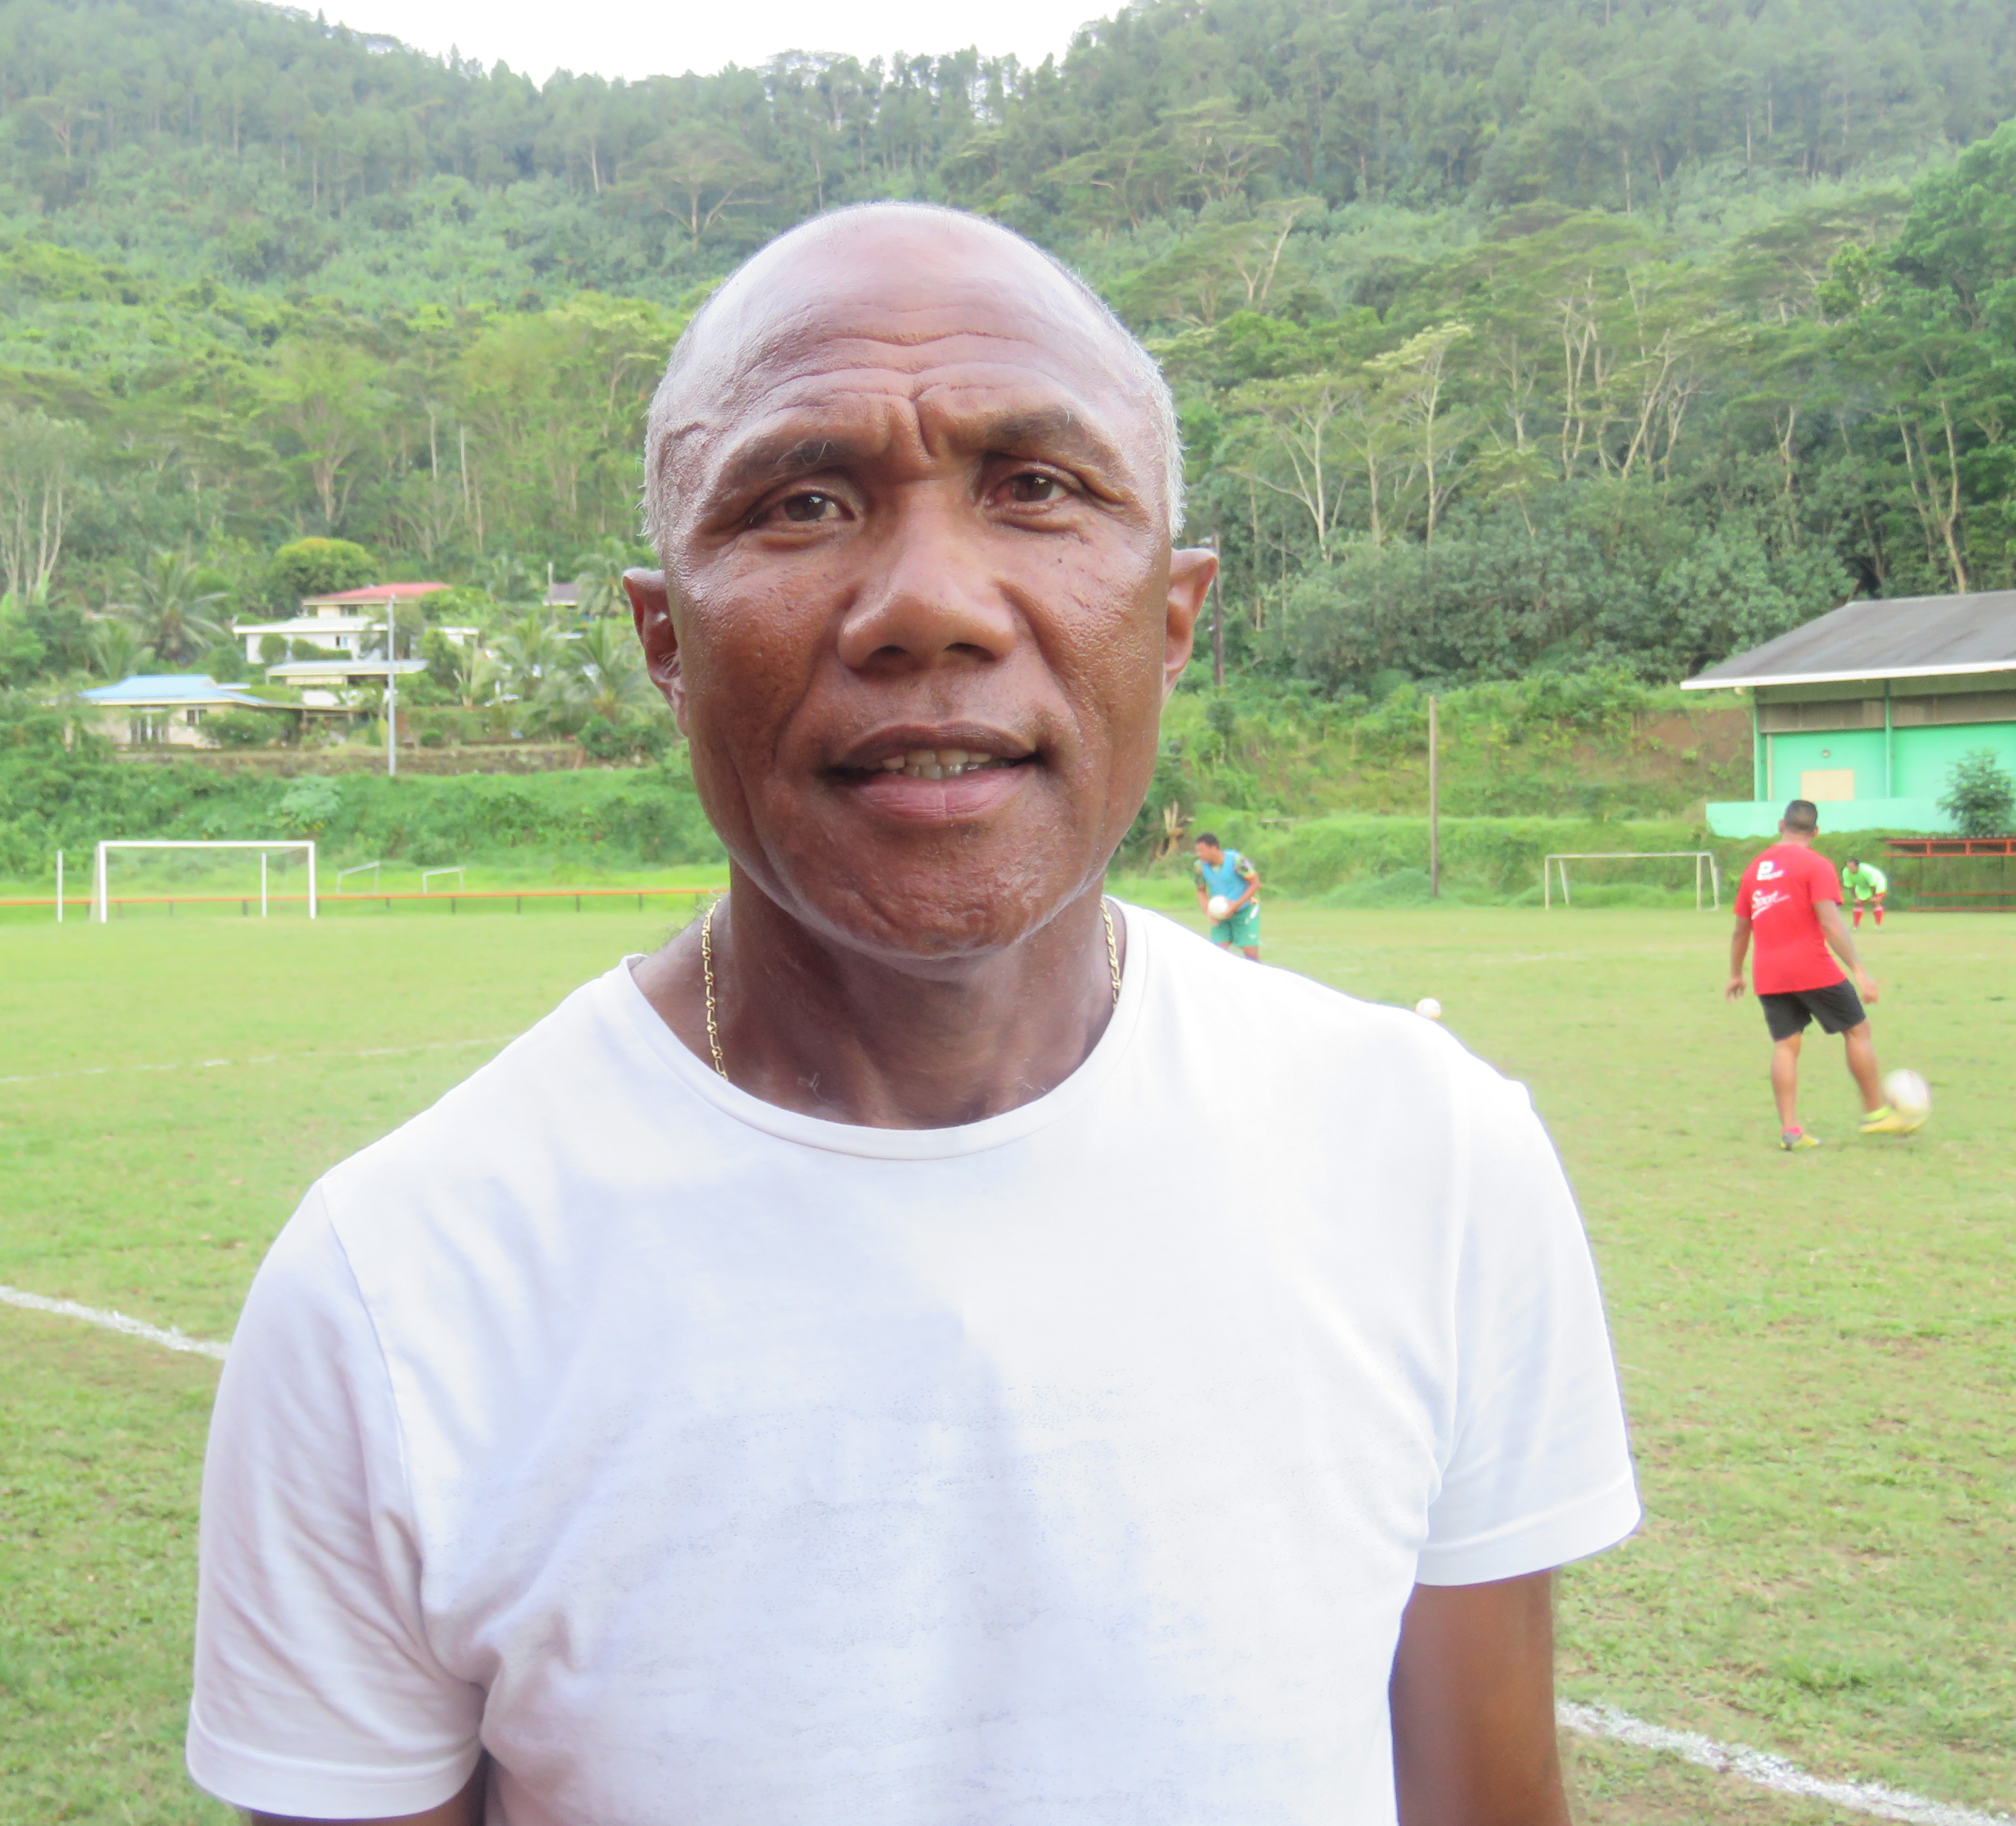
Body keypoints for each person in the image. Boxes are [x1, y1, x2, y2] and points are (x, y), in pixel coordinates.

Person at [189, 203, 1638, 1826]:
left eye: (1038, 488)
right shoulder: (398, 1288)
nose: (930, 604)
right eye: (803, 503)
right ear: (665, 640)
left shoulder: (1430, 1158)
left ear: (1173, 618)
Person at [1724, 802, 1919, 1149]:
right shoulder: (1817, 865)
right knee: (1858, 1030)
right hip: (1812, 967)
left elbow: (1741, 928)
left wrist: (1736, 974)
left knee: (1786, 1045)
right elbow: (1830, 923)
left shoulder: (1755, 869)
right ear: (1815, 832)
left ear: (1781, 824)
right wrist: (1859, 971)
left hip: (1768, 973)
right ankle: (1875, 1114)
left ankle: (1791, 1132)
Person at [1191, 830, 1262, 958]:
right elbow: (1201, 890)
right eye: (1197, 851)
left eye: (1202, 851)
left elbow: (1255, 884)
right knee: (1218, 955)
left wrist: (1235, 905)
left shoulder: (1237, 861)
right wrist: (1207, 912)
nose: (1199, 855)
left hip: (1245, 910)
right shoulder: (1200, 866)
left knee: (1251, 955)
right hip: (1220, 914)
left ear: (1214, 848)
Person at [1842, 856, 1890, 927]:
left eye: (1852, 867)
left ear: (1857, 867)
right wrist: (1856, 898)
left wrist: (1874, 897)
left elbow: (1873, 885)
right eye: (1849, 867)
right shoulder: (1846, 872)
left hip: (1877, 883)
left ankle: (1879, 925)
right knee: (1859, 903)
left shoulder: (1866, 872)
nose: (1850, 869)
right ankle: (1856, 925)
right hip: (1862, 885)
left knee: (1877, 902)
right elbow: (1851, 886)